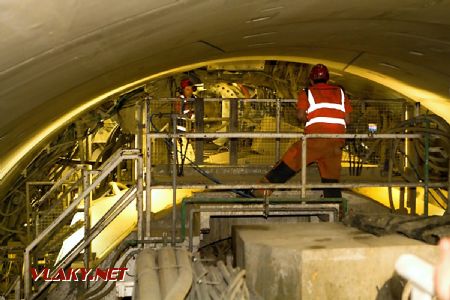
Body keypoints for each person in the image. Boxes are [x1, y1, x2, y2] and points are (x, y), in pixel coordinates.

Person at [252, 64, 352, 198]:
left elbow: (300, 115)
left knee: (290, 161)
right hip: (336, 142)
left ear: (311, 80)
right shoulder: (340, 93)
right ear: (328, 79)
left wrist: (310, 120)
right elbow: (348, 119)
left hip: (315, 139)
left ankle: (261, 191)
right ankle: (334, 204)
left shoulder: (307, 92)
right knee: (331, 177)